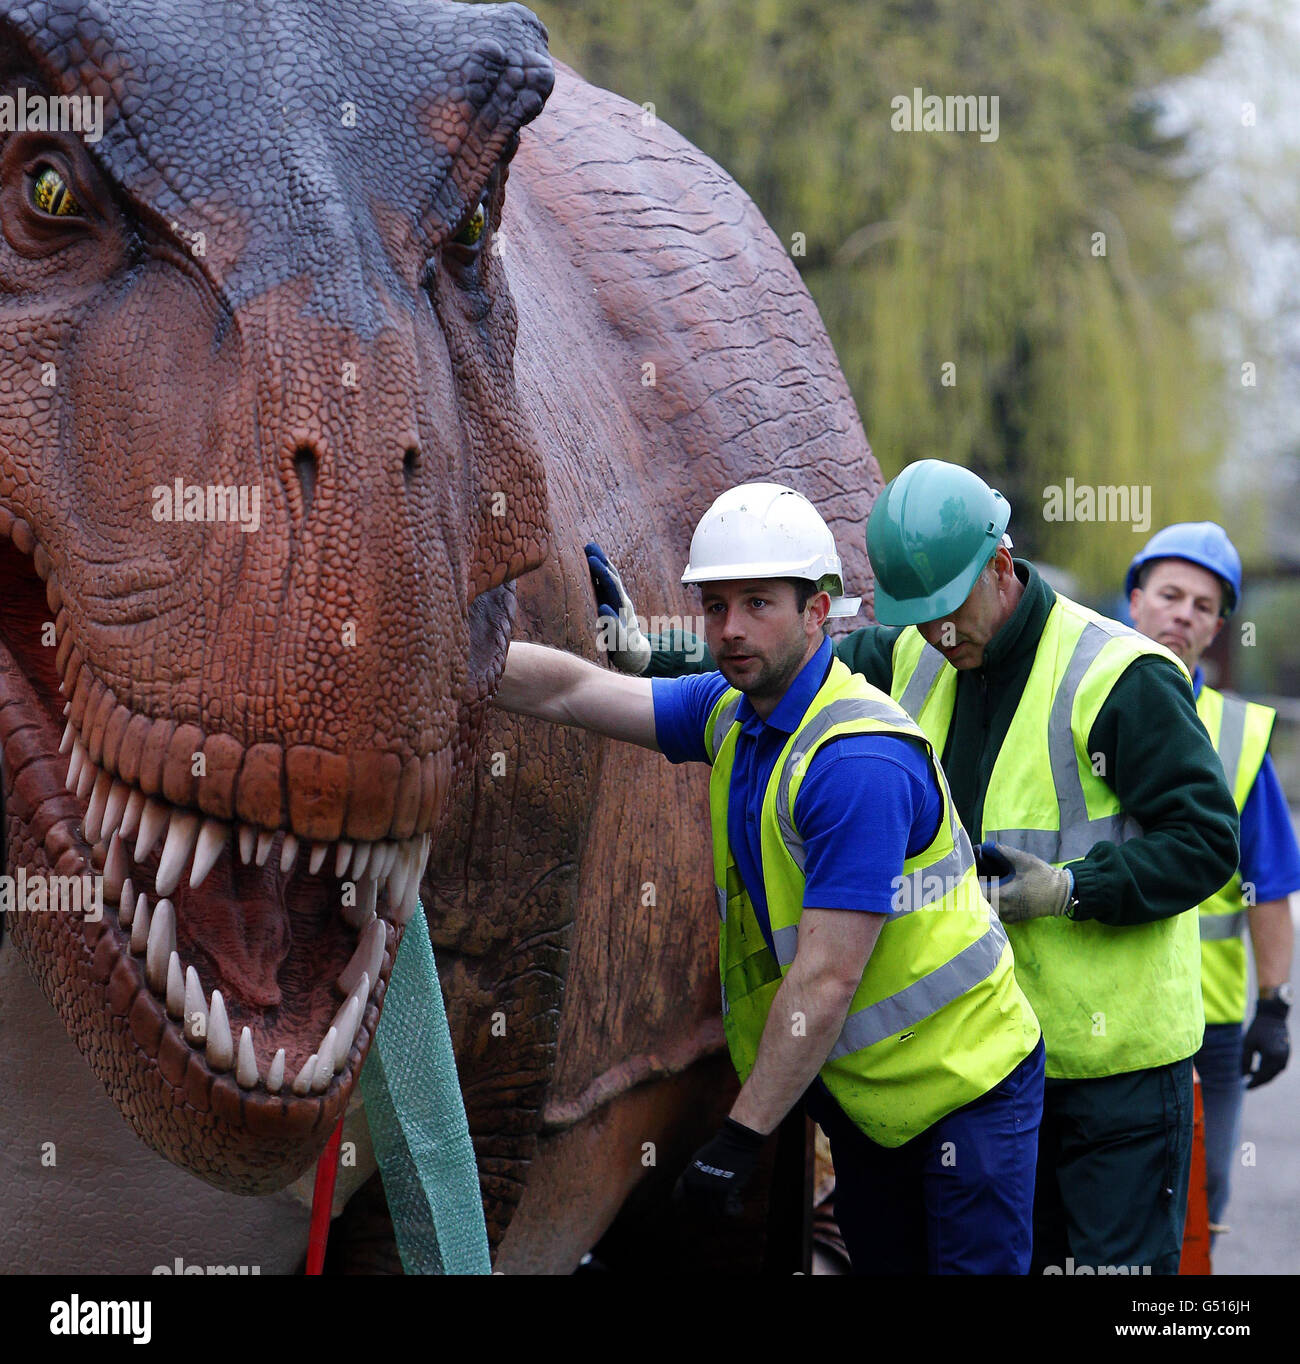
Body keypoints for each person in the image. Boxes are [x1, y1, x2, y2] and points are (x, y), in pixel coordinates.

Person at [593, 460, 1240, 1275]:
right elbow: (781, 663)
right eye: (921, 618)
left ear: (1001, 567)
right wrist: (652, 655)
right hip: (980, 1078)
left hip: (1106, 1081)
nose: (938, 635)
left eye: (948, 613)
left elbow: (1211, 843)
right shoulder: (913, 652)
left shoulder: (1121, 676)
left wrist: (1072, 890)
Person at [497, 482, 1045, 1274]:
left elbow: (824, 981)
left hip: (967, 1090)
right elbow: (578, 692)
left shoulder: (854, 763)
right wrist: (455, 658)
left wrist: (741, 1135)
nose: (730, 630)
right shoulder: (733, 712)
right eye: (716, 607)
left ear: (820, 610)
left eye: (759, 604)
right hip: (870, 1099)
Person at [1126, 521, 1298, 1243]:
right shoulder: (1078, 702)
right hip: (1102, 1015)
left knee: (1202, 1202)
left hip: (1211, 1024)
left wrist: (1273, 1004)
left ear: (1219, 626)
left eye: (1202, 605)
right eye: (1170, 594)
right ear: (1135, 600)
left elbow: (1269, 886)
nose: (1182, 614)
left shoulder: (1239, 735)